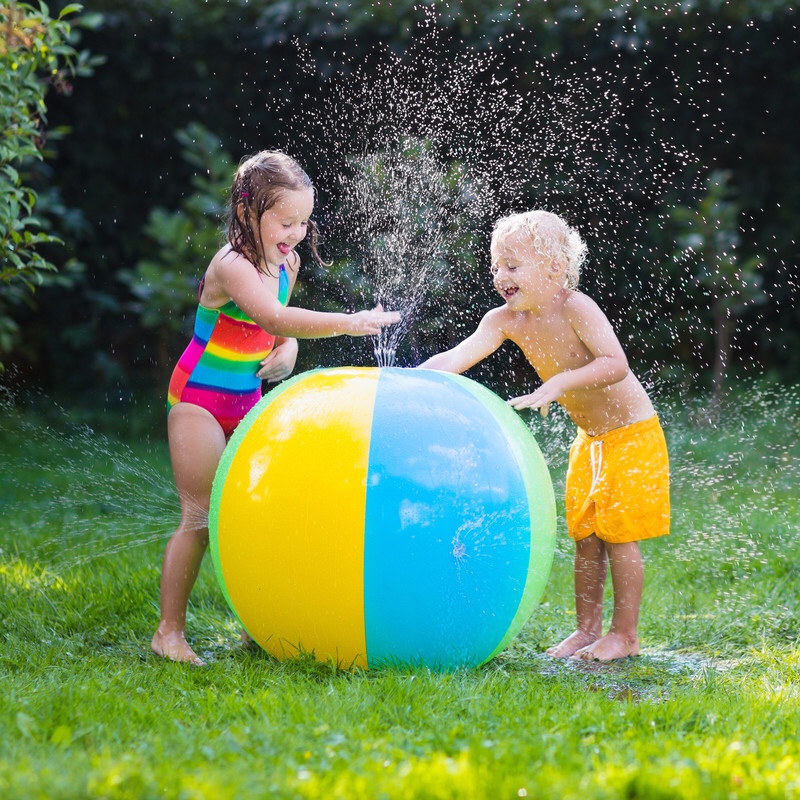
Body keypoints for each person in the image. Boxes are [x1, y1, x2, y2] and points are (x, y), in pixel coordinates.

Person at [152, 150, 400, 665]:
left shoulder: (287, 260)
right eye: (286, 221)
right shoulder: (232, 264)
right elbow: (272, 314)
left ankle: (257, 622)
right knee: (199, 517)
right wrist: (348, 322)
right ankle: (169, 633)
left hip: (247, 398)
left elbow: (274, 330)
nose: (297, 232)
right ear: (248, 213)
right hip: (197, 399)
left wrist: (288, 350)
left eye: (304, 222)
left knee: (255, 515)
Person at [419, 210, 669, 661]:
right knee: (587, 537)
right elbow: (456, 357)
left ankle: (625, 635)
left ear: (553, 267)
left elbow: (616, 364)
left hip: (632, 433)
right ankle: (586, 631)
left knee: (618, 535)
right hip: (591, 440)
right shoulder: (505, 320)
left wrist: (558, 384)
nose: (500, 276)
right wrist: (405, 379)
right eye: (496, 266)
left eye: (512, 266)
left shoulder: (576, 307)